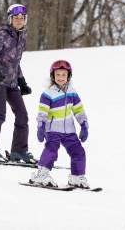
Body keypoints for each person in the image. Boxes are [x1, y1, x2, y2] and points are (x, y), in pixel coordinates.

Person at [0, 3, 36, 163]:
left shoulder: (22, 37)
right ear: (10, 19)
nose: (19, 20)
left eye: (21, 18)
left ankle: (19, 151)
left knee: (22, 115)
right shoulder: (1, 35)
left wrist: (22, 81)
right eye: (16, 18)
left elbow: (15, 63)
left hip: (12, 83)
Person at [30, 60, 90, 188]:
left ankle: (76, 177)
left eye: (64, 74)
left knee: (78, 152)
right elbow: (42, 112)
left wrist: (84, 124)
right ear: (53, 76)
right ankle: (41, 175)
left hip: (69, 130)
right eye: (58, 75)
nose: (61, 77)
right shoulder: (47, 94)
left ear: (68, 76)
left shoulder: (72, 92)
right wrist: (41, 126)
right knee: (52, 150)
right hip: (52, 130)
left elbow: (78, 109)